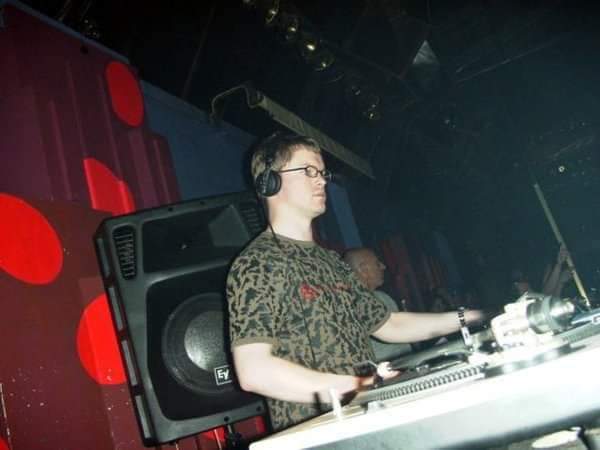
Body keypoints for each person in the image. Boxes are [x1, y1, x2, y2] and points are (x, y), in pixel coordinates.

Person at [226, 132, 484, 431]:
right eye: (308, 171)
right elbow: (255, 371)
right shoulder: (256, 263)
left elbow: (389, 325)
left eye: (322, 173)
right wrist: (358, 385)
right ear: (270, 182)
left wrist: (472, 317)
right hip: (320, 433)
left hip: (365, 421)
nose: (321, 181)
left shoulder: (332, 262)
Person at [342, 247, 412, 361]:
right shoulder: (350, 304)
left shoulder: (383, 297)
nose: (383, 267)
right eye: (377, 263)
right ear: (364, 270)